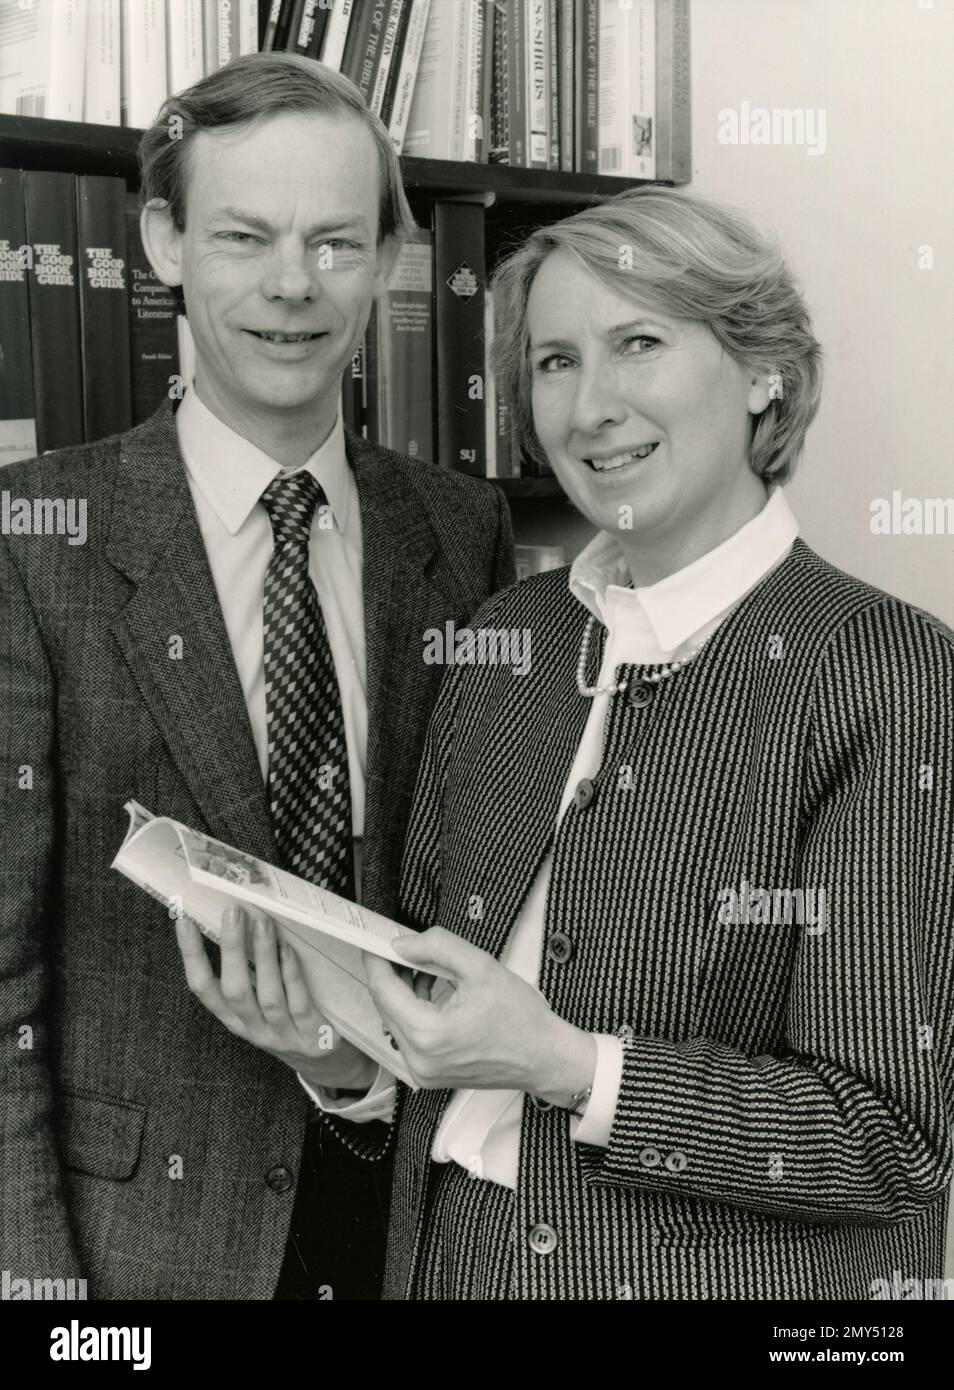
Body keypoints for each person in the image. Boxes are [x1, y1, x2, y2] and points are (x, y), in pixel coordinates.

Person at [196, 185, 954, 1299]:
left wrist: (567, 1063)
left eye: (637, 342)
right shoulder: (509, 640)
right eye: (553, 362)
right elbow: (445, 1026)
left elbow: (889, 1135)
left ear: (762, 371)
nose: (590, 405)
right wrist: (340, 1054)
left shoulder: (888, 673)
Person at [0, 52, 513, 1301]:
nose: (295, 286)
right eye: (245, 236)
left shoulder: (464, 531)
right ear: (166, 240)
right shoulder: (30, 537)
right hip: (135, 1258)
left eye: (337, 242)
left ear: (391, 259)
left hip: (409, 1223)